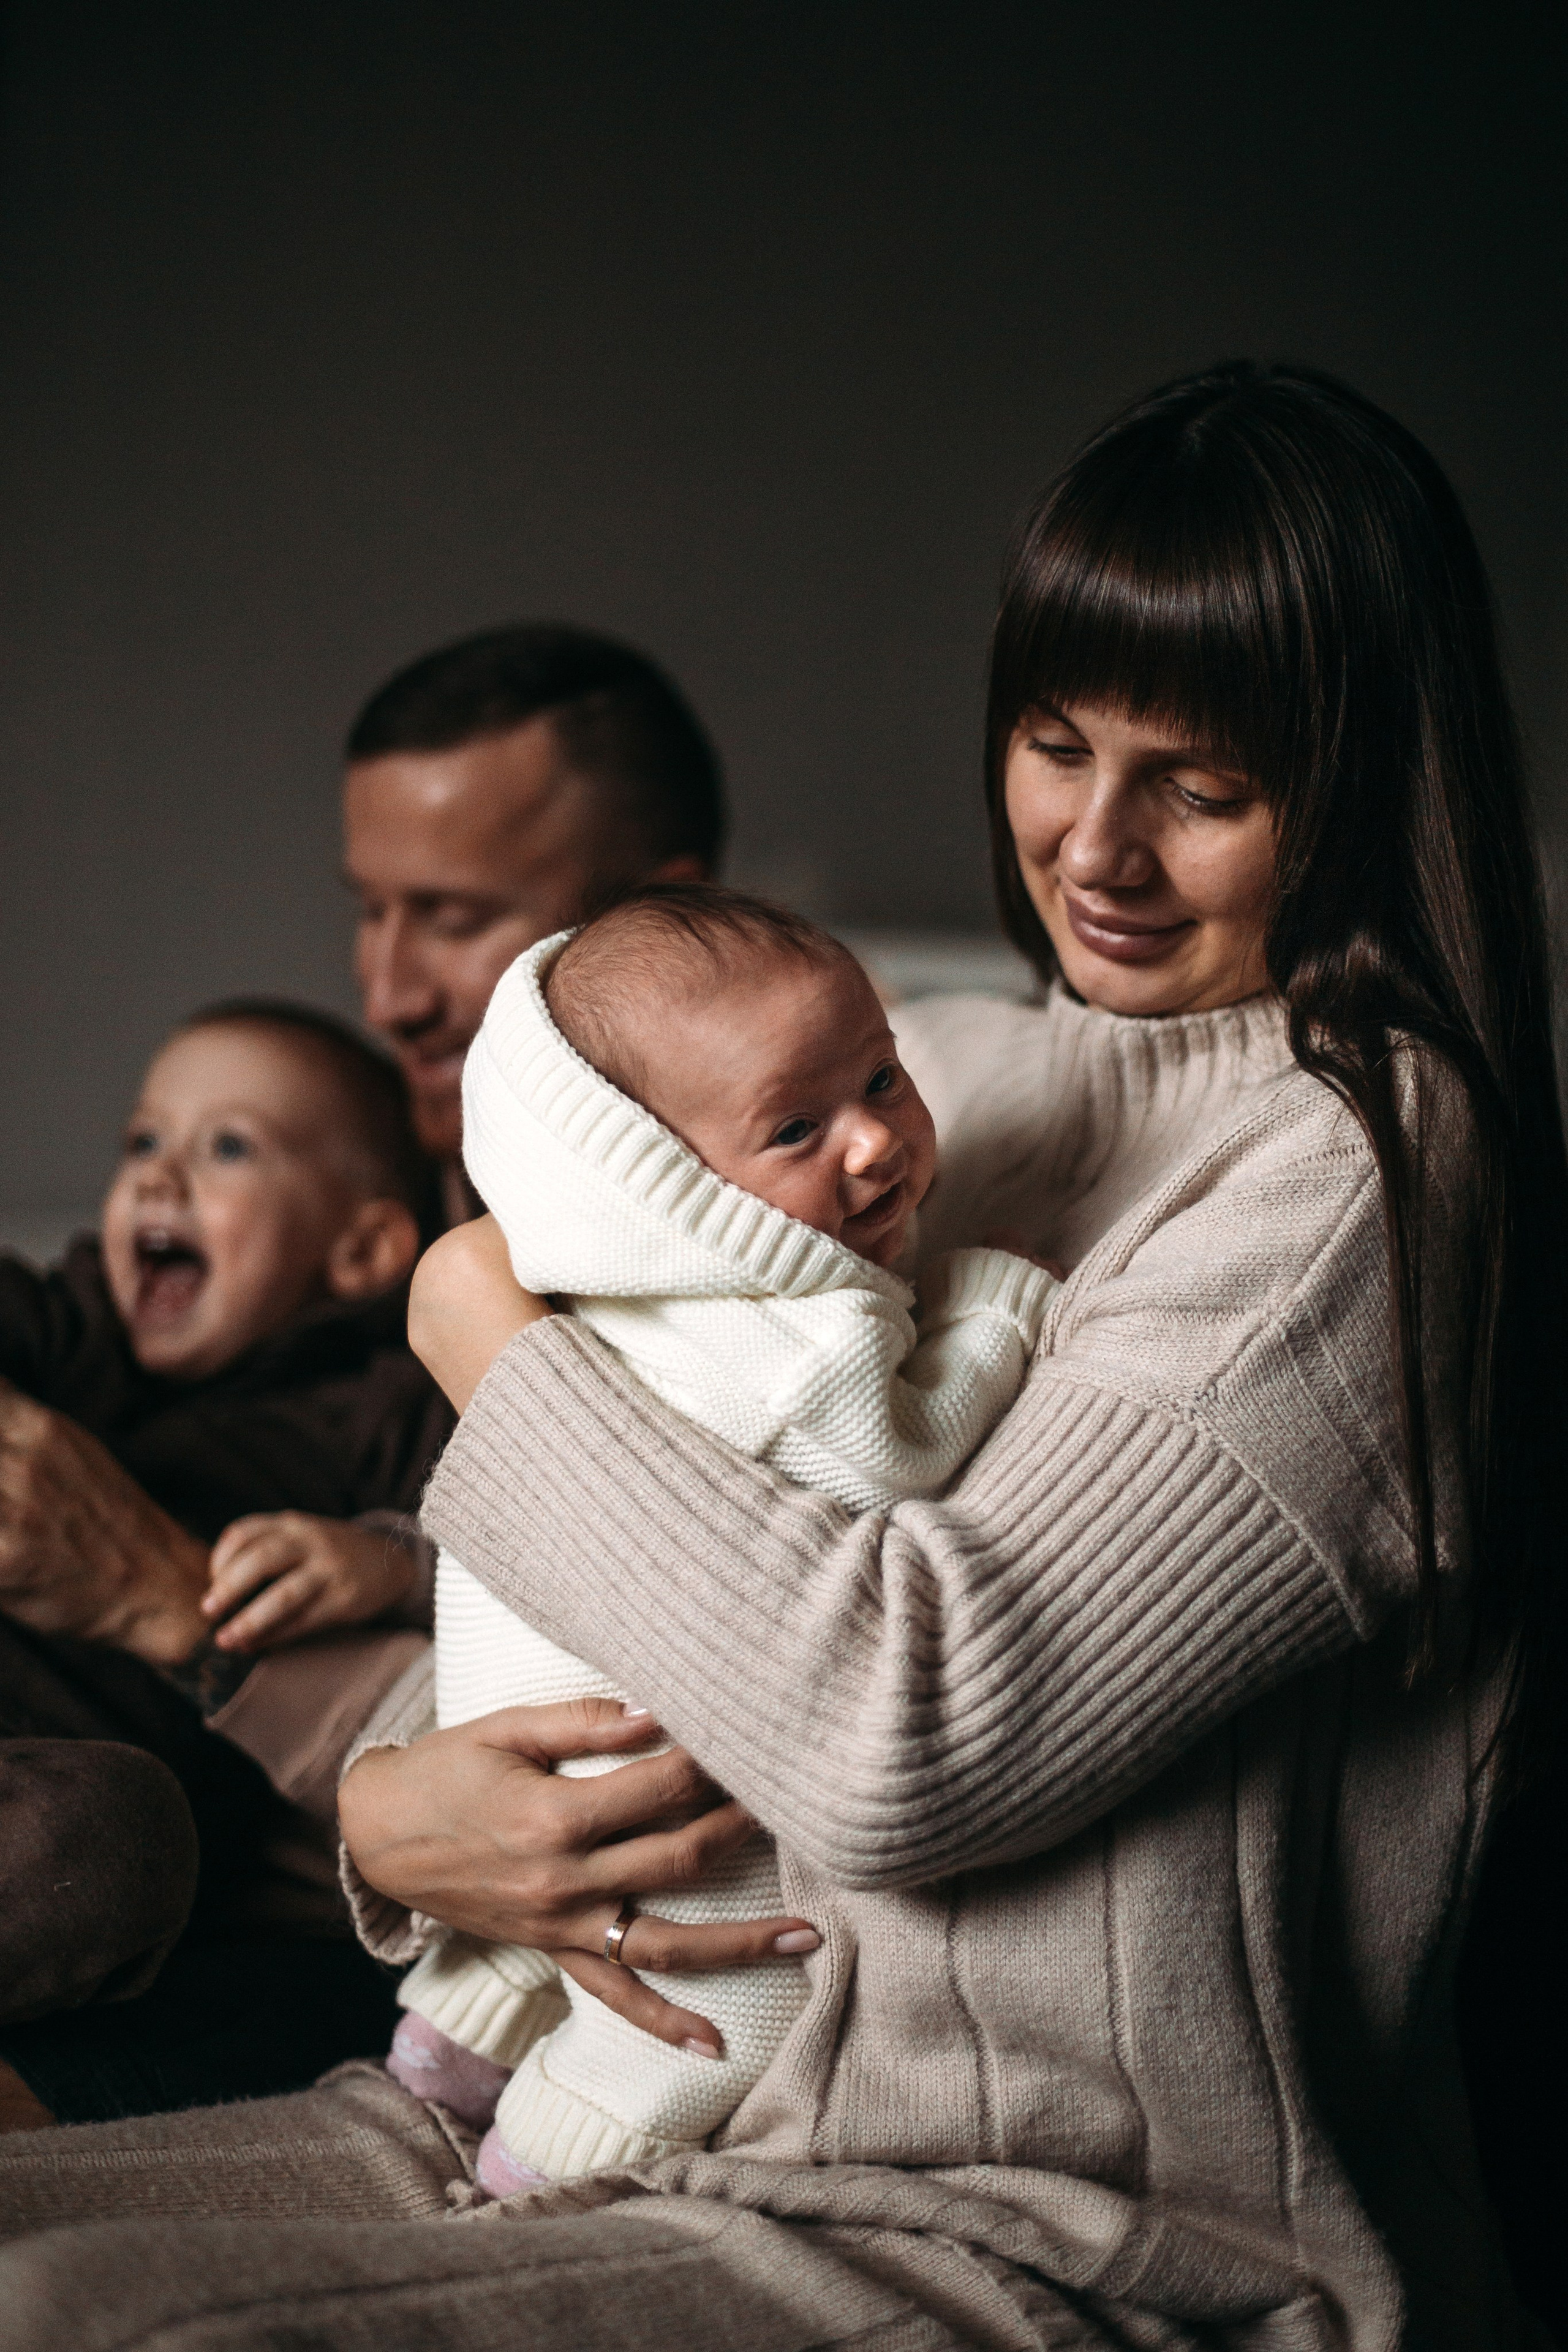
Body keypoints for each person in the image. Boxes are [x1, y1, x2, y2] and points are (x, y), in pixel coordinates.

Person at [1, 364, 1557, 2351]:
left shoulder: (1366, 1161)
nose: (1096, 849)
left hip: (1031, 2222)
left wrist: (492, 1340)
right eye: (1055, 745)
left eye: (1204, 787)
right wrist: (400, 1811)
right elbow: (659, 1573)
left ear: (1359, 790)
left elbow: (915, 1731)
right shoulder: (933, 1072)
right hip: (636, 2090)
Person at [383, 887, 1054, 2198]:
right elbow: (888, 1452)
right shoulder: (793, 1331)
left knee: (522, 1937)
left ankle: (444, 2046)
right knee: (712, 2010)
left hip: (503, 1727)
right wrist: (994, 1303)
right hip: (658, 1766)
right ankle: (549, 2161)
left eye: (881, 1076)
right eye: (794, 1128)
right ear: (658, 1177)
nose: (873, 1144)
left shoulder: (591, 1304)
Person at [0, 624, 728, 1673]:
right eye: (372, 910)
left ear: (667, 910)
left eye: (451, 917)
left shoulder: (725, 1281)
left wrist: (164, 1589)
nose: (387, 997)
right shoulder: (329, 1158)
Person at [0, 1003, 451, 2057]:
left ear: (362, 1249)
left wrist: (384, 1559)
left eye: (228, 1147)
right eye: (144, 1141)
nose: (159, 1178)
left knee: (109, 1837)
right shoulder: (84, 1329)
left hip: (47, 1777)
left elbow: (498, 1541)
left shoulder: (379, 1408)